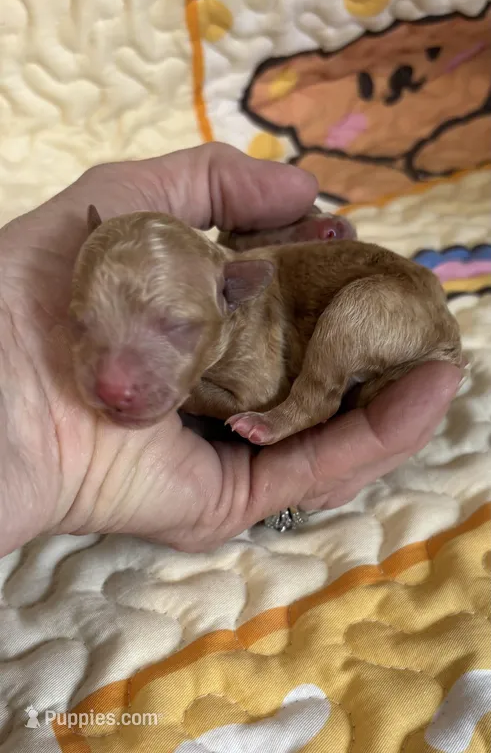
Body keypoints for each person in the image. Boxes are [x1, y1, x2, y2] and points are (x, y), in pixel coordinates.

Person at [0, 143, 461, 557]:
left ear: (234, 294)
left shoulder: (248, 313)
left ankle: (307, 406)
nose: (111, 379)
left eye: (176, 327)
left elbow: (255, 395)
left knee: (355, 314)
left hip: (401, 311)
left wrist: (185, 395)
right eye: (84, 325)